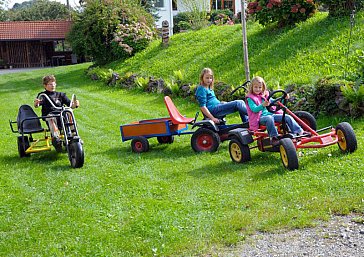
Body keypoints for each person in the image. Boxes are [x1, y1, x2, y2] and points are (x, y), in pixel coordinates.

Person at [246, 76, 304, 145]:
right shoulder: (250, 98)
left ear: (263, 88)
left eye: (260, 87)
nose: (258, 89)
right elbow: (254, 109)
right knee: (269, 118)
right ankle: (274, 137)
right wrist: (263, 105)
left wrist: (283, 99)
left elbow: (275, 102)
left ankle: (299, 132)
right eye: (255, 87)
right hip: (259, 118)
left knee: (286, 117)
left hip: (271, 115)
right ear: (251, 87)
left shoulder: (265, 95)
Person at [34, 75, 79, 151]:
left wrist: (75, 104)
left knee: (69, 112)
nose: (53, 86)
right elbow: (37, 104)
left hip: (61, 114)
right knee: (51, 118)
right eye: (50, 84)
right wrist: (36, 103)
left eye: (54, 84)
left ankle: (73, 134)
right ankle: (56, 138)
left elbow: (70, 105)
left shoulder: (61, 95)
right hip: (50, 114)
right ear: (45, 86)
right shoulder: (43, 95)